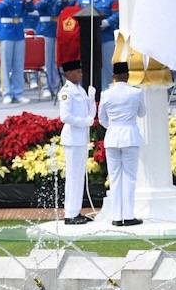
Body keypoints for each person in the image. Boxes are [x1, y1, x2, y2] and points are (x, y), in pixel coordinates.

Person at [98, 62, 146, 227]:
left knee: (115, 177)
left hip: (112, 137)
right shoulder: (136, 92)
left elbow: (102, 118)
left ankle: (117, 217)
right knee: (130, 178)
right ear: (128, 76)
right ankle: (128, 215)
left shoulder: (106, 94)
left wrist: (113, 127)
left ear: (113, 77)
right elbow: (142, 113)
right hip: (130, 136)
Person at [58, 60, 96, 225]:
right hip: (73, 138)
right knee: (73, 177)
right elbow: (65, 117)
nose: (81, 74)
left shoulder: (80, 90)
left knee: (79, 176)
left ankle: (76, 211)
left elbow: (90, 114)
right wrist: (83, 122)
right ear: (69, 74)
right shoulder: (67, 92)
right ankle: (70, 214)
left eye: (81, 71)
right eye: (78, 72)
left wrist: (92, 99)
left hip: (81, 138)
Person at [0, 0, 34, 104]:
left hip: (18, 31)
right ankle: (6, 93)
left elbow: (30, 9)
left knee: (18, 64)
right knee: (5, 64)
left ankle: (18, 92)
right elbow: (0, 7)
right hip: (5, 31)